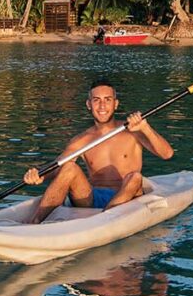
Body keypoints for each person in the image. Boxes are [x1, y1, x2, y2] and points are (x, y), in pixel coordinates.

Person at [23, 79, 175, 224]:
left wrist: (145, 128)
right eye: (96, 100)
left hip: (128, 196)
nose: (102, 106)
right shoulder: (82, 140)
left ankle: (103, 221)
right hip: (92, 198)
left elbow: (167, 154)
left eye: (107, 100)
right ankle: (34, 222)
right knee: (69, 168)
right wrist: (39, 175)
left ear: (115, 104)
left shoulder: (133, 130)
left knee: (135, 177)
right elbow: (58, 167)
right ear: (89, 104)